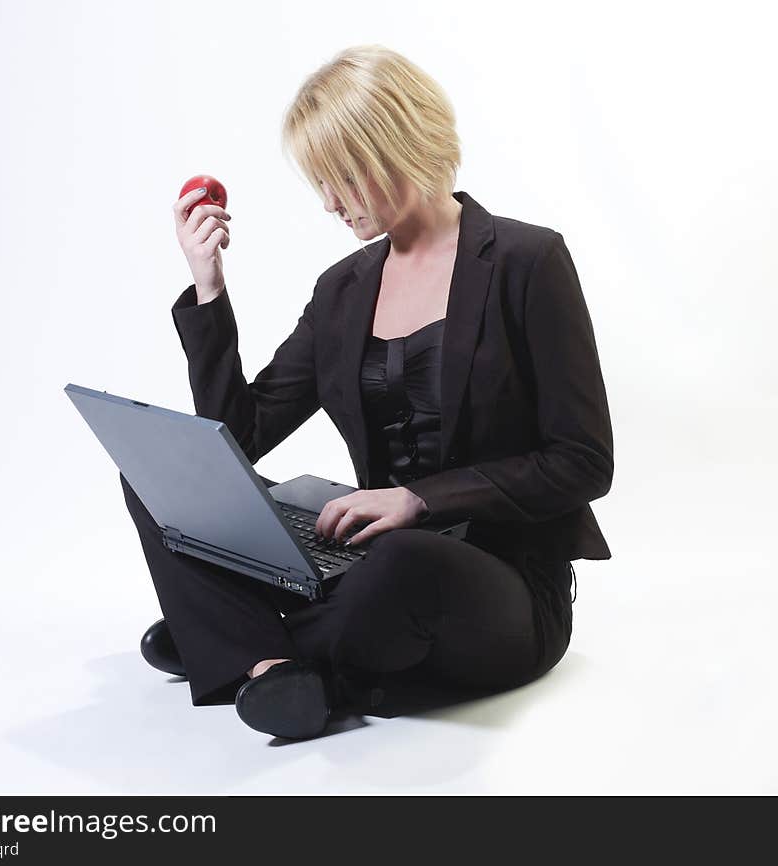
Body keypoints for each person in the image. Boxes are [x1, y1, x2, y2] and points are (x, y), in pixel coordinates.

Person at [121, 44, 613, 740]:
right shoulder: (342, 289)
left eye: (342, 178)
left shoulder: (526, 262)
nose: (327, 203)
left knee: (404, 560)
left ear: (397, 146)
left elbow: (583, 461)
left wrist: (420, 500)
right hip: (362, 563)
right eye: (320, 182)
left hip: (491, 580)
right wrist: (208, 286)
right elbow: (239, 435)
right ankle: (272, 661)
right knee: (158, 475)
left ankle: (233, 643)